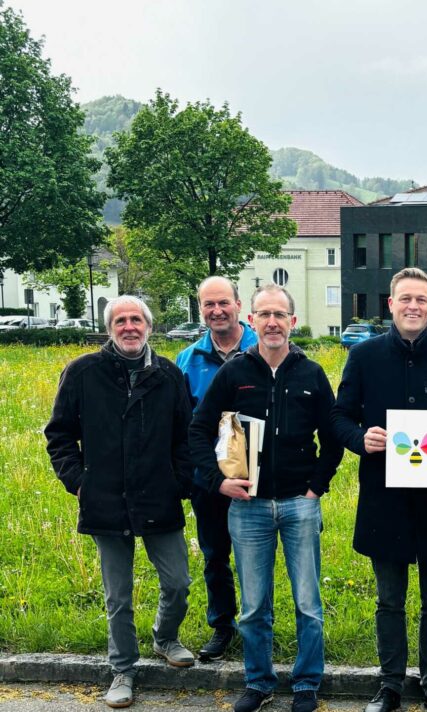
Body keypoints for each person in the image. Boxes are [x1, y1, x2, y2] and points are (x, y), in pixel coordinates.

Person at [189, 284, 343, 712]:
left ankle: (307, 681)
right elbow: (198, 430)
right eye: (264, 314)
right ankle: (258, 682)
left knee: (308, 603)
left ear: (293, 322)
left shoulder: (311, 374)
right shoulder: (234, 374)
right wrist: (216, 480)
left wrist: (317, 486)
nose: (272, 322)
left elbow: (332, 438)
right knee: (255, 605)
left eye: (280, 315)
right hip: (248, 507)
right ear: (251, 321)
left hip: (299, 503)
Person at [331, 268, 427, 712]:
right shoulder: (364, 356)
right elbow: (339, 418)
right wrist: (361, 439)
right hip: (385, 499)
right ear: (390, 305)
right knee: (389, 600)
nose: (413, 306)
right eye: (404, 299)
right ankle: (389, 684)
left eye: (421, 299)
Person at [45, 296, 194, 709]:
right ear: (110, 328)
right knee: (119, 596)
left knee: (178, 583)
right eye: (120, 320)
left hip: (159, 497)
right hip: (105, 500)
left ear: (149, 326)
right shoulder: (82, 372)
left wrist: (181, 481)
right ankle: (123, 670)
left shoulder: (168, 374)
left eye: (136, 320)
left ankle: (165, 637)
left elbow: (185, 435)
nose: (129, 327)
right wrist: (79, 482)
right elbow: (58, 434)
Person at [176, 276, 257, 662]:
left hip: (262, 477)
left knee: (258, 557)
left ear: (239, 305)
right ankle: (223, 625)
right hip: (209, 480)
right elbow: (183, 426)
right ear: (201, 309)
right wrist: (206, 476)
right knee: (215, 556)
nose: (217, 310)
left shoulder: (267, 346)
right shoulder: (188, 360)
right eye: (209, 304)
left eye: (223, 302)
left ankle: (259, 627)